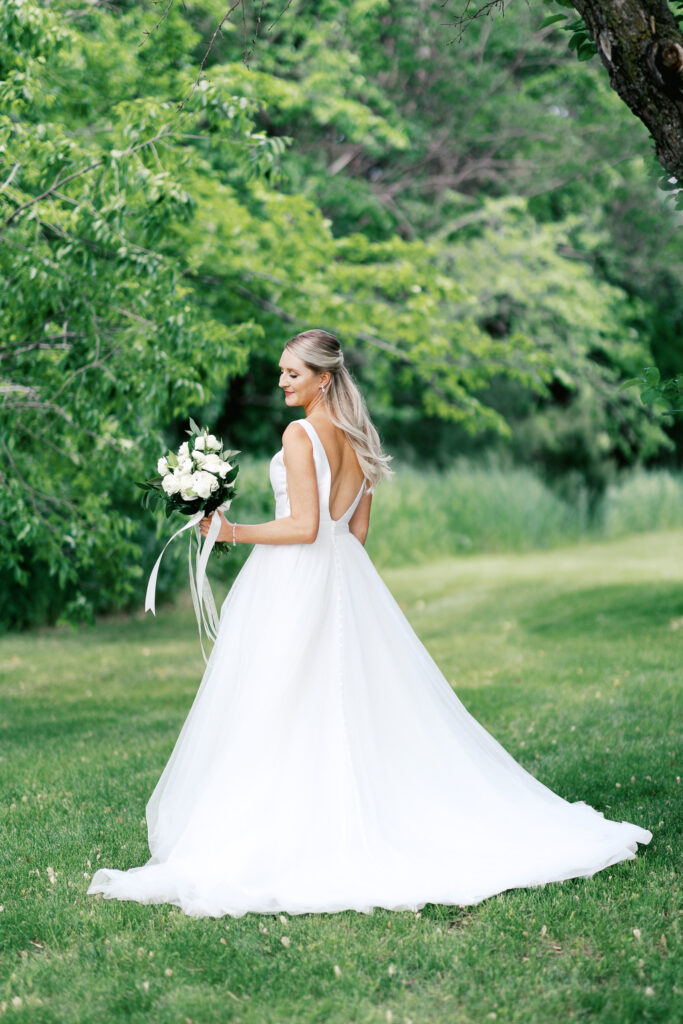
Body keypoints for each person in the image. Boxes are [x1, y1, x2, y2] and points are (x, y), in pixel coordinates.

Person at [87, 329, 651, 919]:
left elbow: (304, 527)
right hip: (344, 577)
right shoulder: (361, 437)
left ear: (323, 378)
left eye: (292, 374)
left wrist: (231, 532)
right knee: (350, 701)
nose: (282, 381)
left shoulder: (299, 433)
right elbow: (352, 533)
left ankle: (281, 827)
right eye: (281, 372)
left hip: (296, 579)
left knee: (278, 702)